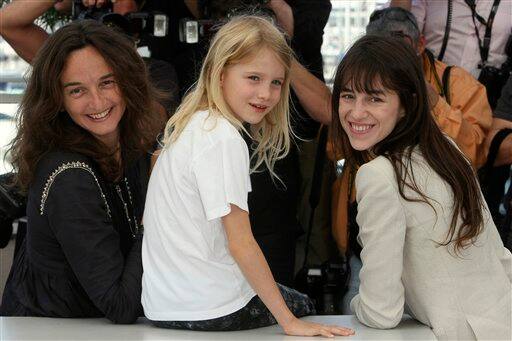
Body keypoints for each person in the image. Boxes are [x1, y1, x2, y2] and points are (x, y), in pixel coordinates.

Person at [141, 15, 353, 337]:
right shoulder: (223, 138)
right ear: (220, 73)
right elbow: (241, 243)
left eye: (276, 82)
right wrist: (291, 322)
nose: (265, 94)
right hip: (211, 308)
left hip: (162, 305)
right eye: (253, 78)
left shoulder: (191, 125)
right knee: (304, 304)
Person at [330, 35, 512, 340]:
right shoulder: (448, 150)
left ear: (406, 105)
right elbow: (500, 257)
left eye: (374, 98)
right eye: (348, 96)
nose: (356, 112)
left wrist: (354, 304)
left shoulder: (377, 175)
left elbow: (381, 311)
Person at [0, 20, 165, 323]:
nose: (98, 102)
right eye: (77, 91)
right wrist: (158, 207)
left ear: (127, 81)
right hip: (49, 333)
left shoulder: (132, 145)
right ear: (57, 100)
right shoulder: (69, 175)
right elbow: (121, 305)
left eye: (107, 82)